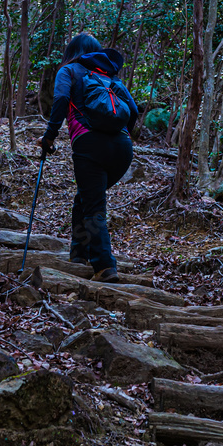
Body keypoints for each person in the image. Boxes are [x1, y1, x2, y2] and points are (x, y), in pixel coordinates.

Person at [39, 32, 138, 283]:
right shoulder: (108, 76)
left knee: (93, 206)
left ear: (71, 51)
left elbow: (61, 99)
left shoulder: (69, 71)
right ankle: (78, 255)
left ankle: (105, 266)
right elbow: (134, 111)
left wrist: (49, 137)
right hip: (123, 148)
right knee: (84, 200)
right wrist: (120, 135)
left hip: (89, 144)